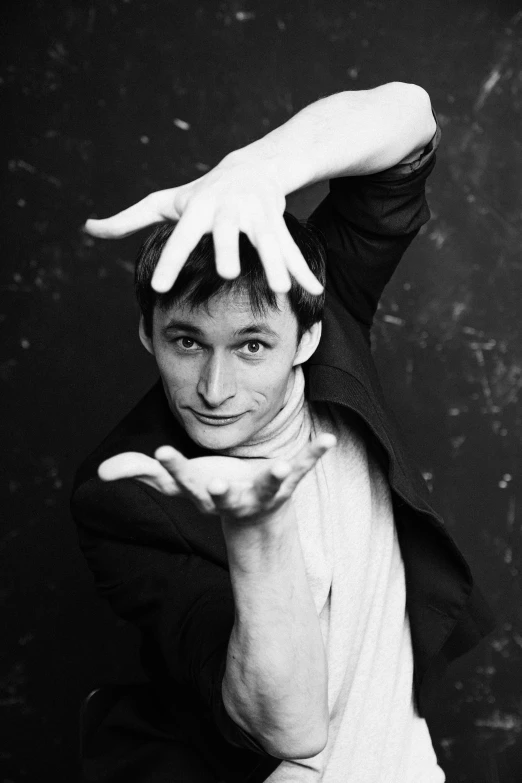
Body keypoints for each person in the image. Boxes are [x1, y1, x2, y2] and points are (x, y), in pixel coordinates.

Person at [71, 82, 496, 783]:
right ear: (147, 332)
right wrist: (257, 528)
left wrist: (256, 170)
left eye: (251, 346)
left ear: (308, 336)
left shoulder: (330, 322)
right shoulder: (125, 493)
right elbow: (289, 726)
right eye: (185, 341)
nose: (214, 389)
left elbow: (410, 117)